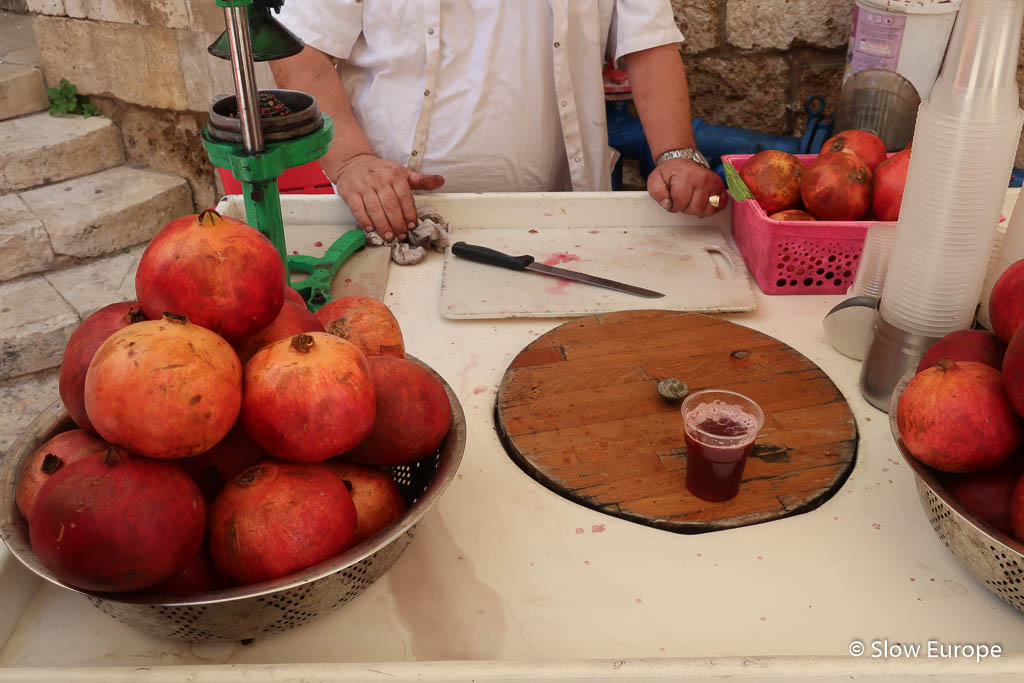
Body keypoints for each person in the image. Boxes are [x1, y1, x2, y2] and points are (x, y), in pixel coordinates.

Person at [270, 1, 727, 242]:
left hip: (561, 217)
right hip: (393, 212)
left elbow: (648, 42)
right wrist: (351, 161)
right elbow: (299, 48)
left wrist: (677, 153)